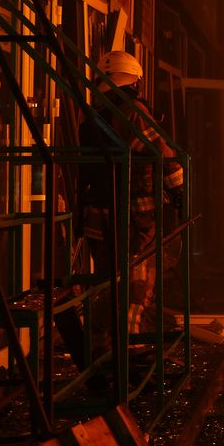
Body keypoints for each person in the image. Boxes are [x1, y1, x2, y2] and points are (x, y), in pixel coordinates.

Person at [77, 50, 183, 346]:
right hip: (135, 216)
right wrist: (178, 188)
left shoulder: (94, 115)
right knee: (136, 284)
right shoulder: (132, 110)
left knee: (107, 284)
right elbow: (159, 151)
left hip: (98, 216)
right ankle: (129, 348)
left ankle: (103, 346)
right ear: (132, 80)